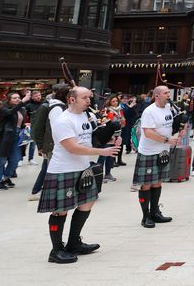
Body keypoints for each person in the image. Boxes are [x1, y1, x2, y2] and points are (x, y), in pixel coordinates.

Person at [38, 87, 121, 263]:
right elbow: (72, 147)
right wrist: (102, 151)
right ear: (71, 99)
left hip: (83, 167)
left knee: (87, 202)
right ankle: (56, 250)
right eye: (85, 98)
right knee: (61, 210)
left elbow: (90, 139)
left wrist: (110, 137)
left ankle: (74, 243)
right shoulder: (63, 120)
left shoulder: (85, 116)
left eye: (89, 97)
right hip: (63, 169)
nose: (89, 101)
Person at [134, 85, 179, 228]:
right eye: (166, 93)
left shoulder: (168, 108)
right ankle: (145, 216)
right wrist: (167, 140)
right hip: (149, 151)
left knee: (158, 182)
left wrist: (178, 132)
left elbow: (169, 126)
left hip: (162, 151)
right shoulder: (149, 111)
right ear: (157, 95)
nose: (168, 95)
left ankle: (155, 212)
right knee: (146, 184)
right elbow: (148, 132)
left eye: (168, 93)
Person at [28, 84, 70, 201]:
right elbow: (38, 128)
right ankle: (37, 191)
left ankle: (39, 190)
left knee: (47, 167)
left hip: (56, 144)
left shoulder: (64, 106)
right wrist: (40, 146)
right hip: (50, 144)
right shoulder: (47, 107)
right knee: (49, 168)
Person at [0, 90, 30, 189]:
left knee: (15, 159)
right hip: (5, 136)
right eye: (14, 98)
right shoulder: (4, 108)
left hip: (17, 136)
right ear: (9, 100)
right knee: (1, 159)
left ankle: (6, 178)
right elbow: (9, 113)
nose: (17, 99)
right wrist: (22, 102)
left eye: (18, 98)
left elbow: (21, 122)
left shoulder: (21, 109)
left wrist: (25, 125)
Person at [23, 90, 43, 165]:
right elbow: (25, 115)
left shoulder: (43, 104)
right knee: (24, 143)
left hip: (38, 127)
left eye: (39, 95)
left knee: (33, 144)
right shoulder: (28, 105)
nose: (38, 97)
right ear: (32, 97)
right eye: (36, 96)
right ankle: (20, 158)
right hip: (29, 126)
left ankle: (31, 159)